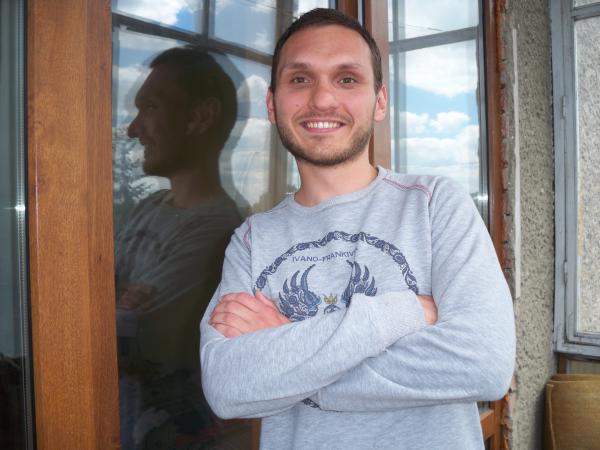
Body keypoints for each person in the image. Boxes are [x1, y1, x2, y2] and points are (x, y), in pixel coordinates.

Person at [200, 8, 515, 450]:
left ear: (380, 101)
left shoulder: (433, 204)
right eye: (300, 79)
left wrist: (288, 357)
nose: (323, 99)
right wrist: (399, 313)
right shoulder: (253, 240)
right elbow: (228, 388)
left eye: (347, 79)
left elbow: (484, 364)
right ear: (272, 104)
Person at [115, 46, 246, 449]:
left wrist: (115, 305)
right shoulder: (149, 207)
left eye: (151, 107)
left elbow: (131, 338)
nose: (132, 129)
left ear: (201, 117)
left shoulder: (218, 231)